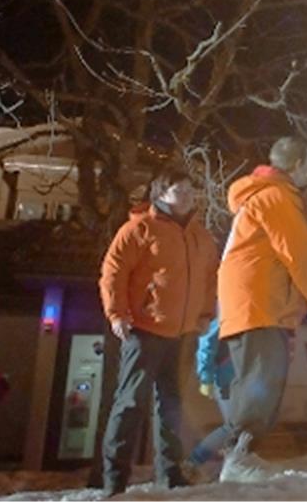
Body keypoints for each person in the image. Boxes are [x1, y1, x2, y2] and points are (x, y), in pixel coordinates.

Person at [98, 168, 219, 496]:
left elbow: (211, 278)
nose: (188, 197)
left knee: (173, 405)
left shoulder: (201, 236)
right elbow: (113, 273)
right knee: (130, 404)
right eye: (180, 191)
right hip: (143, 329)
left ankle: (170, 473)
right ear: (160, 194)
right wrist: (117, 314)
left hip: (183, 334)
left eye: (191, 192)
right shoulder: (139, 229)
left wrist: (206, 314)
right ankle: (114, 480)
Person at [213, 136, 307, 484]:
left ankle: (243, 454)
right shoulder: (277, 197)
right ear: (298, 166)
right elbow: (300, 255)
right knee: (262, 378)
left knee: (258, 378)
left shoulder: (260, 195)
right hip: (259, 303)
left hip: (251, 303)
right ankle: (239, 457)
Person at [185, 314, 235, 468]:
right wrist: (206, 377)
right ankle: (194, 461)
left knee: (238, 425)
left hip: (235, 377)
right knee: (234, 425)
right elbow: (207, 344)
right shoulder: (225, 314)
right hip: (226, 378)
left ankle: (233, 462)